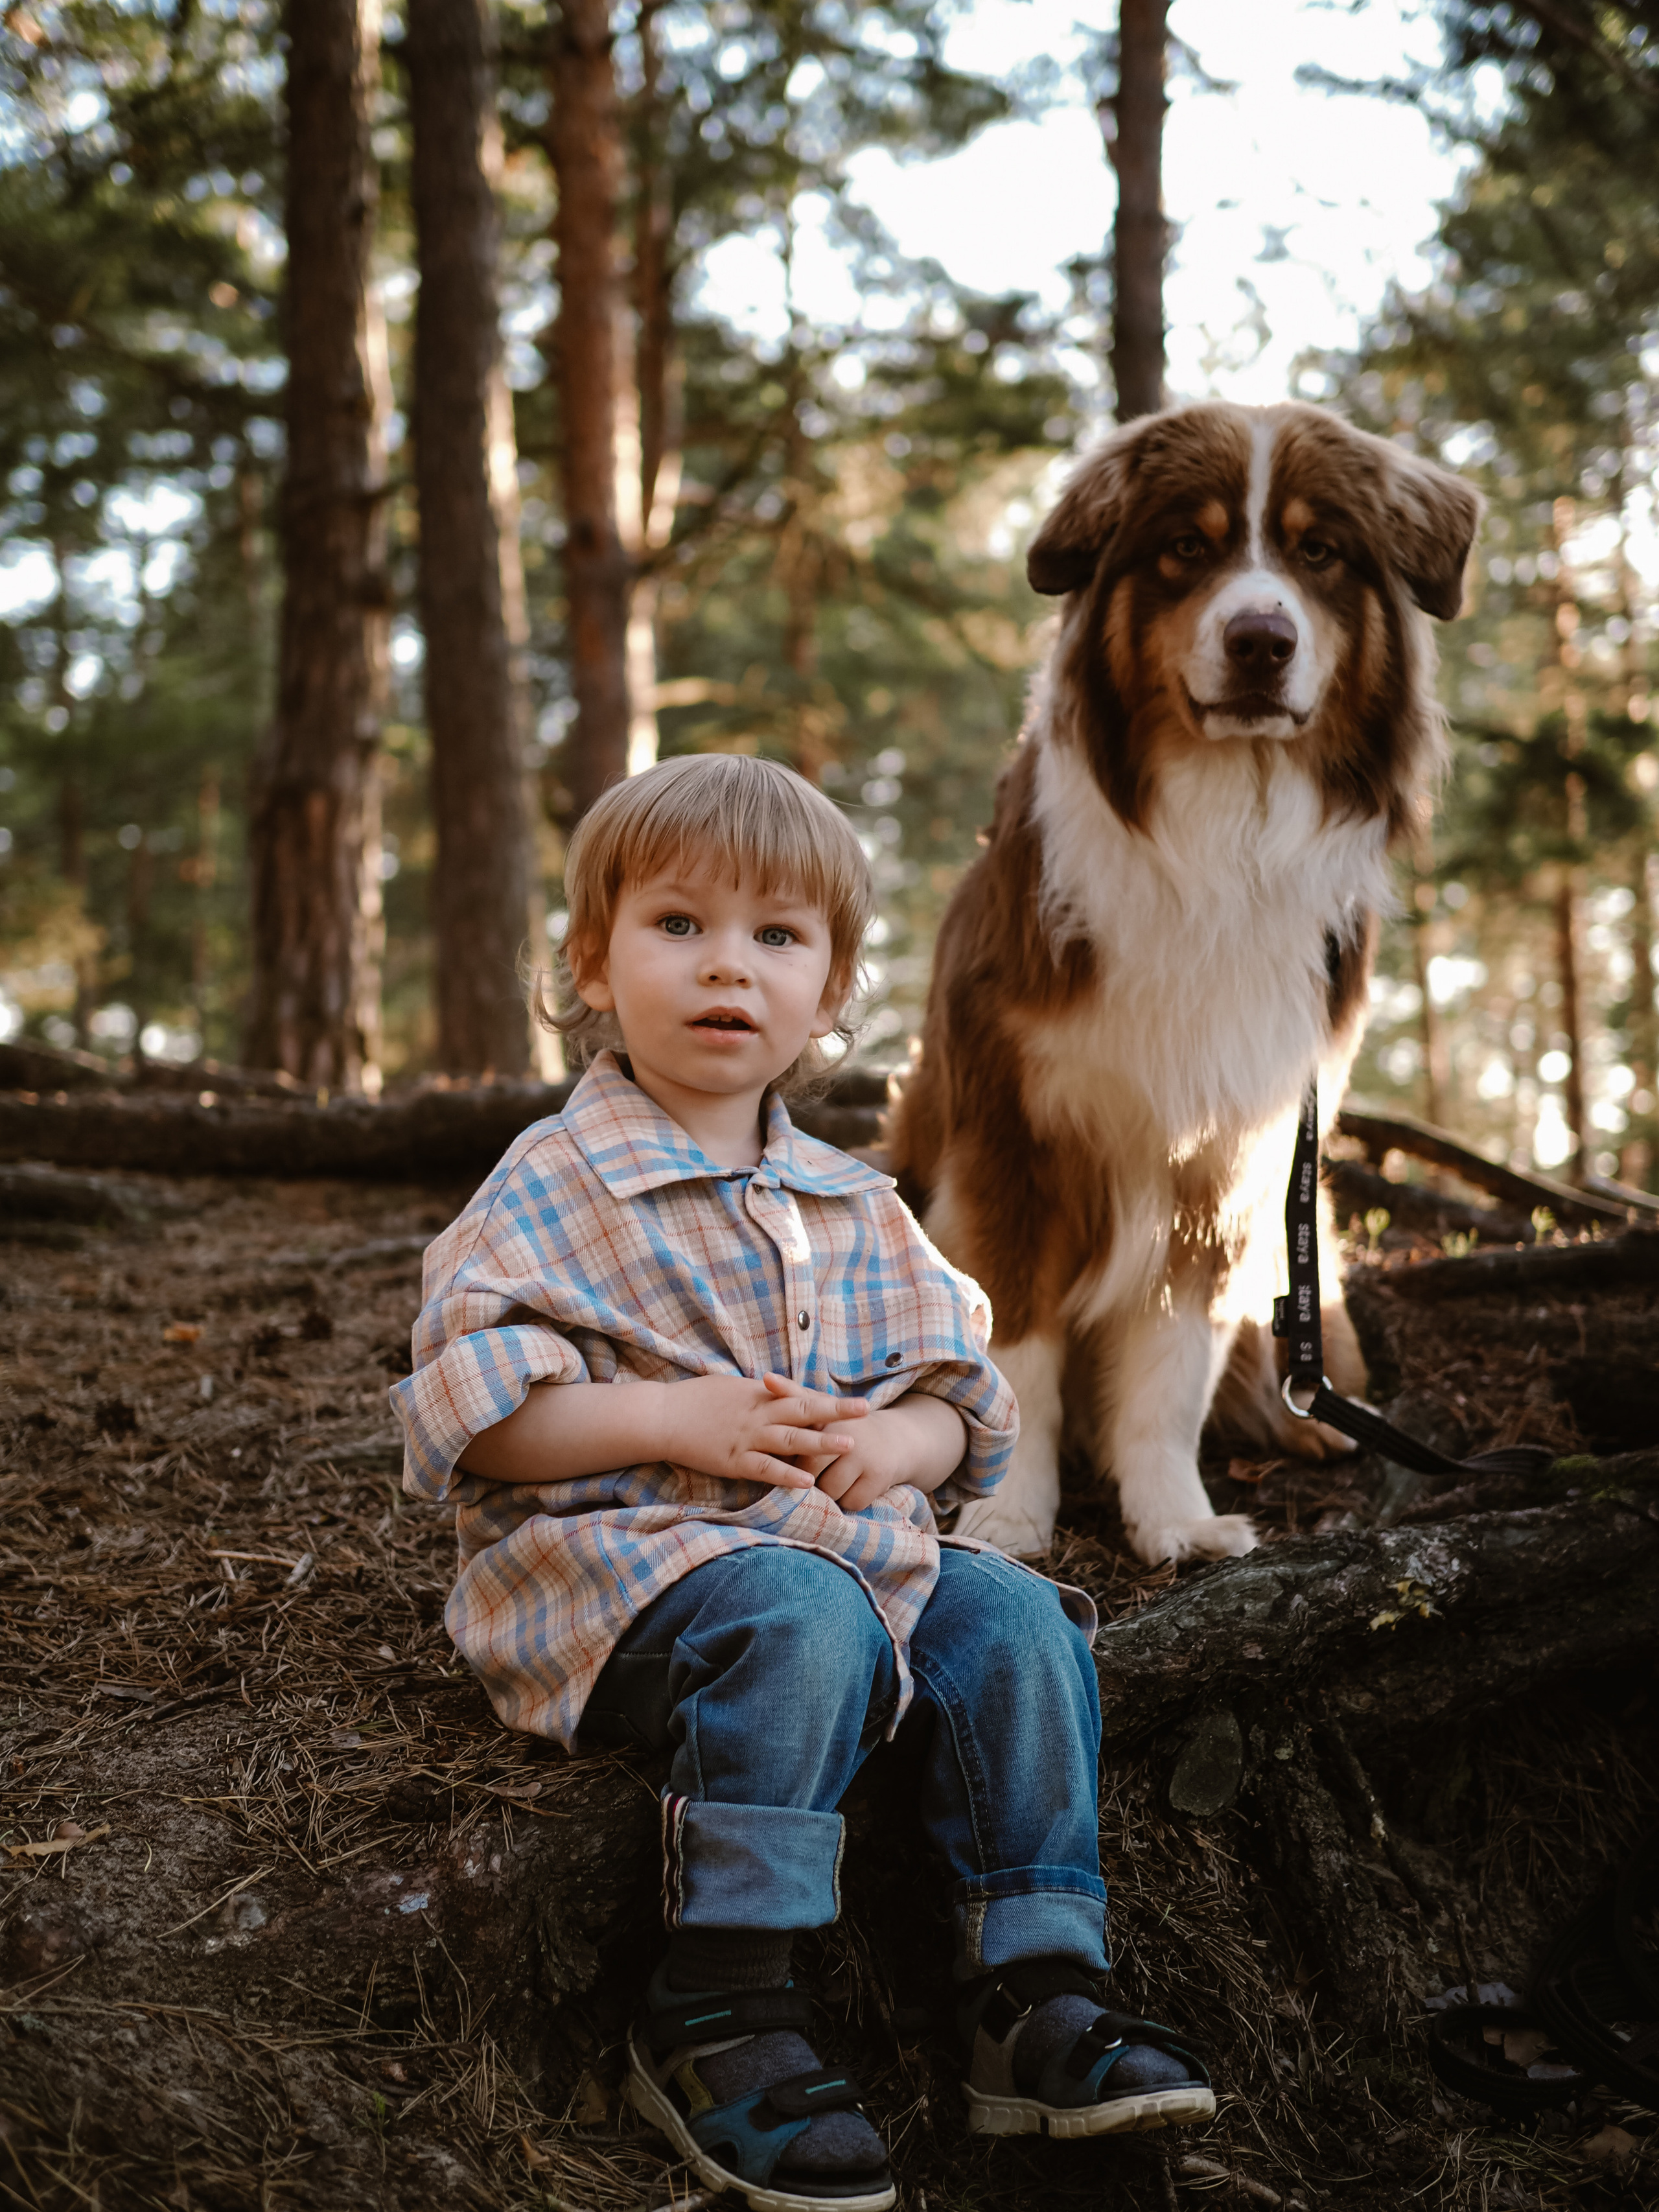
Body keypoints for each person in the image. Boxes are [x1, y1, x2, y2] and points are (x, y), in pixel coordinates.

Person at [391, 754, 1213, 2212]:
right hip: (620, 1567)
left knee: (1016, 1621)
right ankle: (717, 2000)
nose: (728, 968)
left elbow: (961, 1396)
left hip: (843, 1545)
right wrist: (670, 1414)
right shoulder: (545, 1183)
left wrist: (900, 1446)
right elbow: (470, 1415)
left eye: (777, 938)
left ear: (831, 993)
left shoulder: (855, 1204)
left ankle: (1033, 1988)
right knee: (799, 1616)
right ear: (589, 961)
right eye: (677, 926)